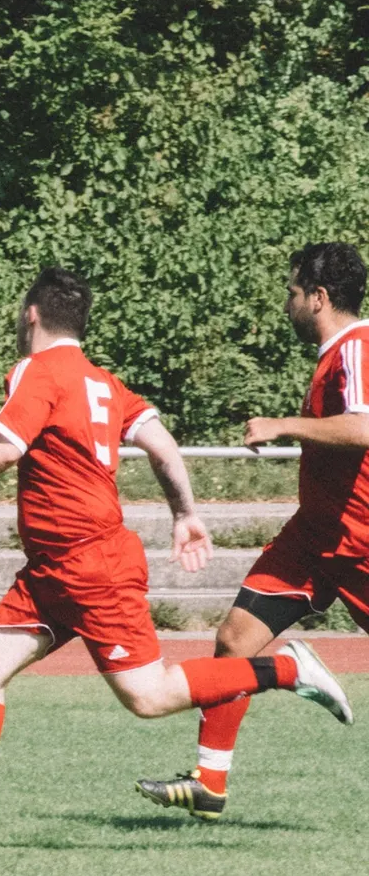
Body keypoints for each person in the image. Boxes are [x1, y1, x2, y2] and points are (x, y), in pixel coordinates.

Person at [0, 268, 351, 844]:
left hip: (89, 564)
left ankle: (289, 669)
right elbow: (162, 444)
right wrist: (184, 513)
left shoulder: (36, 371)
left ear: (30, 315)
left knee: (150, 697)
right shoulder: (104, 383)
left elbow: (2, 451)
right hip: (53, 568)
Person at [138, 242, 369, 820]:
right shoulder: (334, 354)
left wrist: (284, 424)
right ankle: (209, 781)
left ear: (318, 297)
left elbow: (364, 429)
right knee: (235, 640)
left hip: (360, 540)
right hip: (313, 537)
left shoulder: (357, 346)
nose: (287, 303)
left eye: (292, 292)